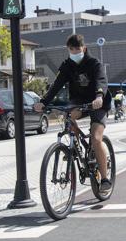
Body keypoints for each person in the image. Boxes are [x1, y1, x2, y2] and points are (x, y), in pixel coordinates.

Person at [34, 34, 113, 192]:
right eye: (71, 49)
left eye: (77, 48)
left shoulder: (94, 63)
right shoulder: (67, 66)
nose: (74, 51)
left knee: (96, 139)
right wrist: (43, 102)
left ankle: (104, 179)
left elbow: (101, 81)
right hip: (79, 102)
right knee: (69, 118)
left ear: (83, 48)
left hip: (98, 103)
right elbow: (56, 85)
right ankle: (73, 148)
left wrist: (98, 96)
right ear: (68, 49)